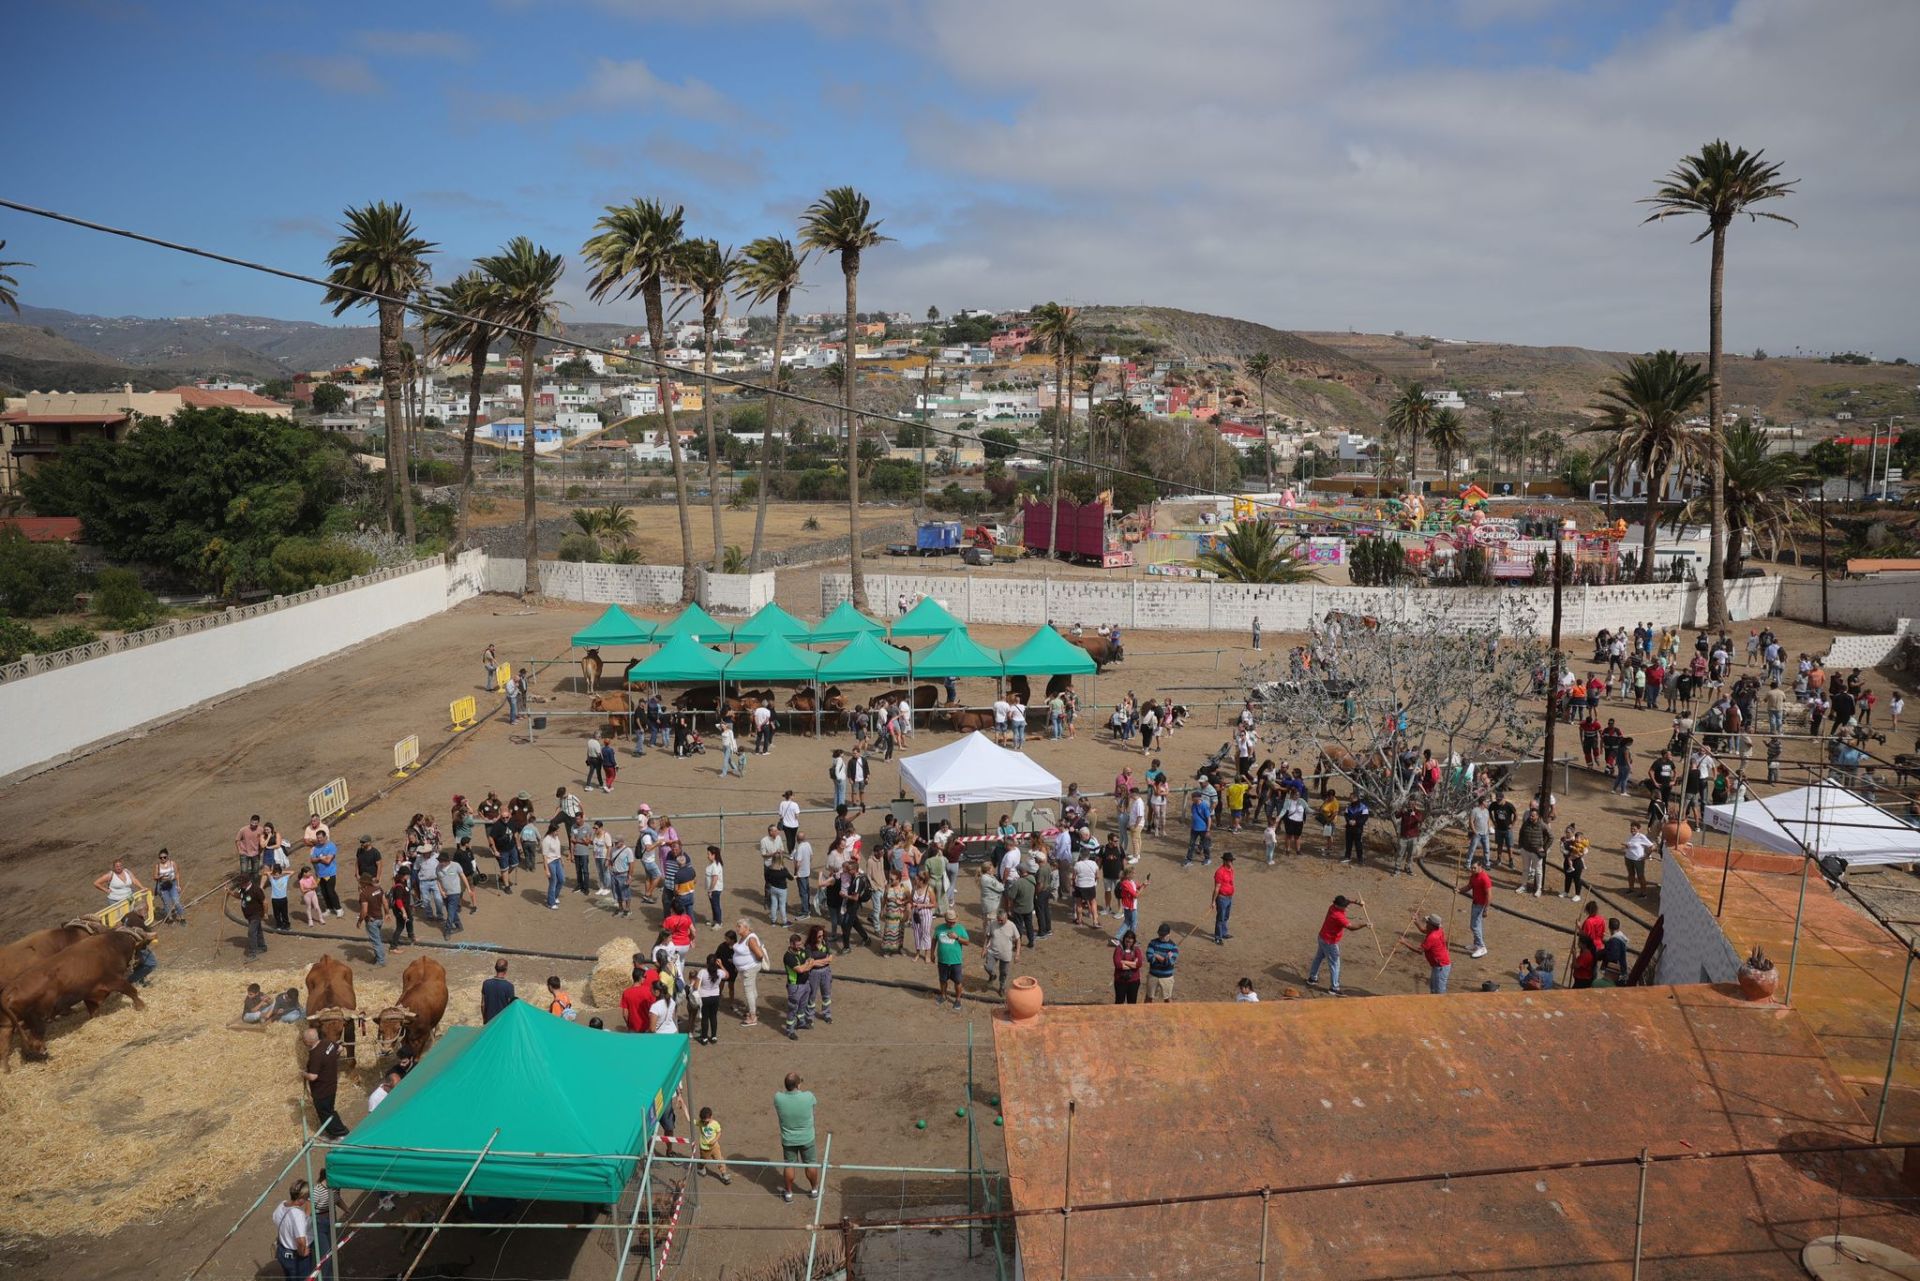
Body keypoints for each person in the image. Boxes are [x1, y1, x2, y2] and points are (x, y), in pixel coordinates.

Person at [1305, 895, 1366, 996]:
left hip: (1322, 937)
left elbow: (1346, 901)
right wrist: (1365, 925)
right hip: (1330, 942)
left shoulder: (1332, 907)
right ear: (1338, 906)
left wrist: (1357, 902)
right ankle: (1334, 988)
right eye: (1344, 906)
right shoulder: (1338, 916)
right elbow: (1351, 927)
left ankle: (1312, 978)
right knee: (1335, 964)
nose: (1346, 908)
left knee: (1318, 958)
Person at [774, 1073, 821, 1203]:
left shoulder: (778, 1098)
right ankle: (814, 1190)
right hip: (807, 1138)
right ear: (798, 1085)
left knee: (789, 1165)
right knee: (810, 1164)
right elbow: (812, 1108)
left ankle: (788, 1193)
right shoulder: (808, 1096)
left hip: (788, 1140)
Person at [301, 1028, 348, 1138]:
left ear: (308, 1041)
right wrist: (332, 1059)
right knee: (330, 1109)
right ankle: (337, 1132)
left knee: (326, 1113)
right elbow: (340, 1048)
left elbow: (313, 1076)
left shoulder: (315, 1055)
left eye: (303, 1039)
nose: (303, 1041)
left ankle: (341, 1134)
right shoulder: (327, 1042)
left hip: (322, 1090)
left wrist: (303, 1074)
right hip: (332, 1083)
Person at [271, 1179, 312, 1281]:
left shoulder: (282, 1205)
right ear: (302, 1198)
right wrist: (303, 1252)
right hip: (295, 1258)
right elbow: (301, 1241)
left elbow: (276, 1219)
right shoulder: (298, 1215)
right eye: (307, 1197)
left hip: (282, 1252)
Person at [1402, 913, 1451, 993]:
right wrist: (1416, 921)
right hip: (1438, 965)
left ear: (1432, 925)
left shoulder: (1432, 937)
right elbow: (1423, 930)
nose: (1426, 924)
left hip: (1441, 966)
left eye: (1427, 922)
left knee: (1439, 991)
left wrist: (1404, 942)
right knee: (1433, 988)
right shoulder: (1438, 930)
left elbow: (1419, 951)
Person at [934, 909, 969, 1010]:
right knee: (943, 980)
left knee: (958, 981)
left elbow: (967, 942)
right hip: (942, 960)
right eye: (950, 921)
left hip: (956, 961)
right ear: (945, 920)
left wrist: (957, 937)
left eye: (953, 921)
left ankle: (958, 1000)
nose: (952, 923)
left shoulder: (960, 929)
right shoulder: (939, 928)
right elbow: (934, 940)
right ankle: (943, 996)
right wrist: (931, 954)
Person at [982, 910, 1020, 996]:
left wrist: (1017, 953)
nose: (999, 922)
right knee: (988, 967)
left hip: (1005, 954)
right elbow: (988, 936)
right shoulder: (993, 924)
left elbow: (1018, 939)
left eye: (1001, 920)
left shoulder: (1012, 926)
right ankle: (993, 975)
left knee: (1003, 973)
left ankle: (1002, 987)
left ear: (1006, 917)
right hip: (992, 951)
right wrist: (984, 948)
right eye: (998, 919)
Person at [1459, 862, 1492, 958]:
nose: (1472, 870)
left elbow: (1489, 895)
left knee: (1474, 926)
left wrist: (1486, 909)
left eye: (1474, 868)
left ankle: (1482, 947)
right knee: (1477, 925)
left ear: (1480, 867)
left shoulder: (1485, 879)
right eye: (1471, 868)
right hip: (1475, 903)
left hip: (1481, 905)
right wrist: (1460, 890)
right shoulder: (1473, 876)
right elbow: (1469, 886)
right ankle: (1476, 944)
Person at [233, 871, 268, 961]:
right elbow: (239, 896)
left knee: (251, 932)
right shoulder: (242, 889)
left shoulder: (256, 890)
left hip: (256, 915)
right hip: (248, 915)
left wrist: (265, 913)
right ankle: (262, 947)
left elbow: (265, 902)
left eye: (241, 883)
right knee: (258, 930)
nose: (240, 885)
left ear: (247, 882)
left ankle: (253, 953)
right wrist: (229, 892)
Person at [356, 875, 388, 967]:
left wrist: (359, 921)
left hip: (371, 920)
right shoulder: (378, 889)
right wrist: (387, 913)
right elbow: (385, 902)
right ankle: (378, 957)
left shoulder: (364, 894)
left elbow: (364, 910)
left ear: (363, 883)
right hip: (379, 918)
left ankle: (381, 961)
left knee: (376, 941)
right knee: (377, 939)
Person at [1144, 922, 1180, 1002]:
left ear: (1169, 934)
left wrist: (1156, 955)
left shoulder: (1173, 947)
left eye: (1163, 935)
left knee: (1167, 999)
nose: (1161, 937)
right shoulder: (1152, 943)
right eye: (1160, 934)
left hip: (1167, 977)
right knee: (1149, 997)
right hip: (1153, 976)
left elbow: (1169, 963)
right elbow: (1150, 958)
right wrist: (1165, 958)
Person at [697, 1106, 733, 1184]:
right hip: (704, 1148)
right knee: (703, 1160)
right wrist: (683, 1106)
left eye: (707, 1121)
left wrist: (715, 1140)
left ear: (711, 1117)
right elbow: (690, 1119)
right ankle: (701, 1167)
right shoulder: (700, 1123)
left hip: (714, 1146)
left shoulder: (715, 1124)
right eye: (704, 1121)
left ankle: (724, 1174)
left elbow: (719, 1132)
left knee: (719, 1159)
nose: (705, 1123)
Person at [438, 851, 470, 937]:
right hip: (445, 894)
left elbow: (463, 876)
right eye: (439, 861)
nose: (440, 863)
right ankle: (459, 926)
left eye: (441, 861)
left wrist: (468, 888)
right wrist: (441, 891)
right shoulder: (438, 867)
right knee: (451, 911)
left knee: (450, 913)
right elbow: (438, 880)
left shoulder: (456, 865)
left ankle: (447, 930)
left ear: (447, 861)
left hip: (455, 893)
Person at [1112, 929, 1144, 1003]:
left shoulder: (1136, 950)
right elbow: (1118, 965)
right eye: (1126, 941)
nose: (1128, 944)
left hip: (1134, 981)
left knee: (1132, 1002)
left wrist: (1124, 962)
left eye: (1130, 942)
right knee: (1119, 1001)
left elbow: (1139, 964)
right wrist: (1133, 964)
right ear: (1124, 940)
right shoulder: (1118, 949)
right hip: (1120, 980)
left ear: (1133, 942)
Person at [1183, 790, 1214, 867]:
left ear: (1197, 798)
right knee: (1191, 844)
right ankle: (1189, 859)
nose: (1192, 799)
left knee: (1205, 845)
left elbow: (1209, 818)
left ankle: (1207, 858)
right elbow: (1193, 815)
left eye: (1193, 798)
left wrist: (1208, 830)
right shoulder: (1193, 805)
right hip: (1194, 829)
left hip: (1203, 829)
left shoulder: (1204, 805)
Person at [1211, 852, 1236, 945]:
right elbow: (1217, 887)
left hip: (1229, 897)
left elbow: (1231, 882)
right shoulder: (1219, 872)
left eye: (1231, 861)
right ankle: (1218, 937)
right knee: (1220, 918)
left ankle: (1224, 933)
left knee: (1226, 916)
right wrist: (1213, 901)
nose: (1230, 862)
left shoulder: (1231, 869)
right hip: (1222, 898)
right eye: (1229, 861)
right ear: (1224, 861)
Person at [1622, 821, 1653, 895]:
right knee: (1630, 874)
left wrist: (1647, 855)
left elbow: (1652, 846)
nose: (1632, 830)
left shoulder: (1641, 837)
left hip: (1638, 860)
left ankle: (1643, 892)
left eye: (1634, 829)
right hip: (1628, 858)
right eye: (1631, 829)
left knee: (1640, 876)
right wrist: (1626, 846)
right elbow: (1630, 846)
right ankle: (1631, 888)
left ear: (1638, 829)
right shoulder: (1630, 836)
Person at [481, 958, 515, 1023]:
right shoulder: (509, 986)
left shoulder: (486, 983)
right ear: (506, 970)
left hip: (489, 1021)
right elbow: (511, 1008)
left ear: (495, 968)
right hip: (502, 1023)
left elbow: (483, 1004)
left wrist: (484, 1019)